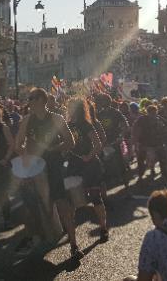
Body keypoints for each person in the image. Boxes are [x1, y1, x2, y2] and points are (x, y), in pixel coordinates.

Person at [13, 88, 77, 259]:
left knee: (62, 203)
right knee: (37, 205)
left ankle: (73, 244)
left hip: (54, 166)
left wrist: (52, 150)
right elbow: (18, 144)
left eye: (32, 98)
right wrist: (24, 155)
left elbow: (70, 142)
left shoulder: (56, 118)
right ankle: (44, 236)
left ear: (42, 100)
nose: (29, 101)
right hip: (35, 168)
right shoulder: (27, 120)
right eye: (29, 98)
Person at [67, 97, 109, 243]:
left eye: (71, 106)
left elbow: (98, 144)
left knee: (96, 198)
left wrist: (89, 156)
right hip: (73, 165)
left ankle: (103, 228)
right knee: (71, 201)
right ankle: (72, 239)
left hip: (90, 165)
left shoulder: (86, 124)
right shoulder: (67, 125)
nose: (68, 108)